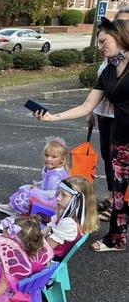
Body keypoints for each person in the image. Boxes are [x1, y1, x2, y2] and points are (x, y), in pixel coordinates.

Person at [35, 17, 129, 252]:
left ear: (119, 36)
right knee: (119, 192)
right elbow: (87, 106)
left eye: (103, 41)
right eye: (98, 42)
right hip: (121, 142)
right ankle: (116, 240)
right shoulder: (107, 71)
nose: (100, 46)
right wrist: (52, 117)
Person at [86, 7, 129, 222]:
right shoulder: (110, 65)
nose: (101, 46)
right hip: (109, 118)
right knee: (111, 162)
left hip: (123, 125)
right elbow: (93, 96)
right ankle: (115, 203)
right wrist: (52, 117)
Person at [0, 136, 69, 216]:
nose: (48, 159)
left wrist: (36, 191)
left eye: (53, 157)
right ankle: (14, 207)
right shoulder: (55, 170)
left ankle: (19, 212)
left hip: (51, 201)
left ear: (62, 159)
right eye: (47, 155)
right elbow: (46, 181)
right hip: (46, 193)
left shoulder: (55, 176)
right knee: (24, 187)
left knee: (26, 195)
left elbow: (51, 194)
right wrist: (38, 184)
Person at [43, 176, 99, 260]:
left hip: (50, 259)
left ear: (77, 201)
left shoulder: (69, 223)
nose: (58, 198)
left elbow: (47, 247)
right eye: (59, 193)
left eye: (64, 195)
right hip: (49, 253)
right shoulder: (74, 217)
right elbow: (45, 231)